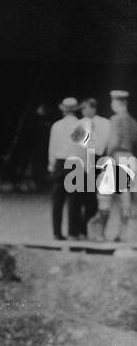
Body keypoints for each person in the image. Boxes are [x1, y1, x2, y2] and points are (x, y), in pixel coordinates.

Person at [97, 89, 137, 243]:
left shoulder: (115, 119)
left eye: (112, 102)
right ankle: (122, 233)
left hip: (116, 158)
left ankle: (101, 233)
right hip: (130, 159)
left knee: (105, 197)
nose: (111, 104)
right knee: (125, 200)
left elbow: (113, 142)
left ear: (119, 103)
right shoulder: (133, 122)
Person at [47, 97, 88, 240]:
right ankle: (73, 232)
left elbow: (52, 148)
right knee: (74, 200)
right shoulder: (82, 126)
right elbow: (83, 149)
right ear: (76, 110)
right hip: (76, 163)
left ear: (63, 110)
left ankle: (57, 233)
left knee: (57, 201)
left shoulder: (56, 126)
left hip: (60, 162)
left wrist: (51, 165)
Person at [79, 98, 111, 235]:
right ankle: (82, 228)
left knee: (95, 197)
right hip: (83, 158)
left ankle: (93, 228)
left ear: (93, 108)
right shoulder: (79, 123)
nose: (83, 111)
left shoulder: (105, 123)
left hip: (98, 159)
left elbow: (108, 142)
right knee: (83, 196)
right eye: (82, 109)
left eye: (85, 108)